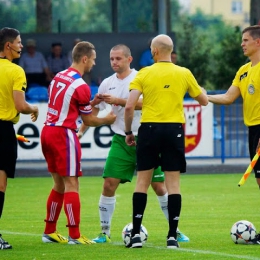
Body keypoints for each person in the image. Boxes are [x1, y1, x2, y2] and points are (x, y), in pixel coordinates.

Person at [77, 44, 189, 244]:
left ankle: (175, 230)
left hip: (147, 138)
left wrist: (120, 101)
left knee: (159, 187)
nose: (114, 62)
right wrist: (81, 131)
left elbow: (147, 103)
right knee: (109, 184)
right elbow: (93, 113)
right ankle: (104, 232)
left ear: (129, 59)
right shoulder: (106, 84)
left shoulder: (142, 76)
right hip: (121, 140)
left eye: (118, 59)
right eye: (111, 59)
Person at [124, 34, 208, 249]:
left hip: (149, 129)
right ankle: (172, 237)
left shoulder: (144, 73)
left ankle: (135, 236)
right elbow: (204, 101)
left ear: (154, 52)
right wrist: (201, 93)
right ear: (171, 51)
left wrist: (128, 131)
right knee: (173, 185)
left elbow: (129, 106)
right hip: (174, 130)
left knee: (142, 182)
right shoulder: (184, 73)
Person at [40, 41, 116, 245]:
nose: (93, 63)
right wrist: (107, 120)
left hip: (47, 131)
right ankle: (75, 235)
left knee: (58, 184)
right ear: (84, 59)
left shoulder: (59, 76)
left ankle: (49, 231)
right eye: (92, 60)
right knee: (72, 183)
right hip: (63, 134)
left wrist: (92, 104)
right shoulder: (81, 85)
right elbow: (89, 120)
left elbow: (69, 104)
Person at [208, 25, 260, 243]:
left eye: (246, 40)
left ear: (258, 42)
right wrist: (204, 96)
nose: (242, 44)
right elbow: (228, 97)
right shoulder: (244, 70)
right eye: (242, 40)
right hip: (253, 131)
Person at [0, 27, 39, 249]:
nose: (21, 46)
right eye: (19, 42)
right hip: (3, 130)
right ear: (8, 46)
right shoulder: (15, 71)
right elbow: (20, 106)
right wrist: (34, 108)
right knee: (0, 184)